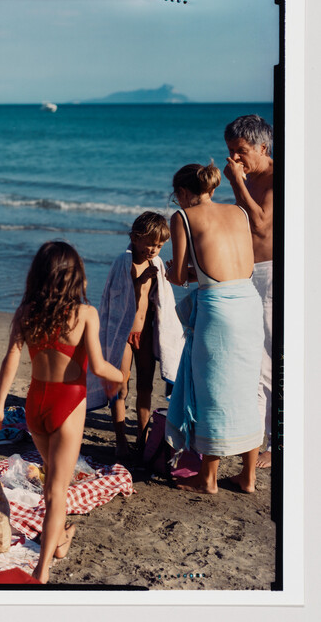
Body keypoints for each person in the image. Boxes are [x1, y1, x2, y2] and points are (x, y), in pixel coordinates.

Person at [0, 241, 123, 584]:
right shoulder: (84, 314)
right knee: (55, 491)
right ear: (75, 277)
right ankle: (42, 570)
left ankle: (60, 538)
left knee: (52, 482)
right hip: (67, 405)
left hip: (36, 405)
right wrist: (123, 376)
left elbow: (12, 358)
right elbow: (101, 367)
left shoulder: (27, 311)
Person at [164, 163, 264, 494]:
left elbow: (179, 277)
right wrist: (197, 273)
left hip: (218, 311)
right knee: (246, 388)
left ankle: (208, 478)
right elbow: (233, 267)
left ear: (182, 193)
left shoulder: (182, 218)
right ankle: (248, 477)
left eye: (175, 196)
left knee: (213, 390)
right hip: (249, 302)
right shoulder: (238, 212)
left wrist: (173, 273)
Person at [86, 212, 184, 459]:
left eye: (160, 245)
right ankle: (120, 439)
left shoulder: (157, 263)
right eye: (149, 243)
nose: (154, 249)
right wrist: (141, 279)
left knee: (145, 386)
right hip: (125, 332)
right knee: (120, 385)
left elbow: (161, 297)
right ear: (134, 238)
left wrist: (175, 273)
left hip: (147, 331)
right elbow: (120, 292)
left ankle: (143, 436)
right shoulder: (124, 261)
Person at [224, 115, 275, 468]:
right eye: (230, 152)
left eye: (241, 152)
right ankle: (253, 437)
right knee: (250, 358)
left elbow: (260, 222)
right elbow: (242, 223)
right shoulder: (249, 176)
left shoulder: (275, 178)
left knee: (273, 358)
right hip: (246, 272)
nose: (235, 159)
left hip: (272, 275)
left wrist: (237, 183)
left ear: (262, 147)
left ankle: (274, 443)